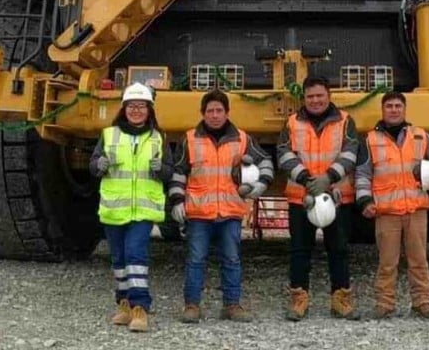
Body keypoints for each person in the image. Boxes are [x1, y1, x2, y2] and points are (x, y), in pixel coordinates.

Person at [168, 90, 274, 323]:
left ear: (227, 113)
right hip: (199, 213)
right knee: (196, 260)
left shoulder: (243, 139)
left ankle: (232, 305)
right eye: (210, 111)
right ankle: (192, 306)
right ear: (203, 114)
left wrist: (262, 183)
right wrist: (176, 201)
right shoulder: (190, 139)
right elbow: (179, 173)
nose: (214, 115)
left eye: (219, 110)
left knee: (232, 259)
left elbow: (265, 160)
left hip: (230, 211)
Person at [355, 91, 429, 321]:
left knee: (419, 261)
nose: (393, 109)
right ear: (382, 110)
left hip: (416, 210)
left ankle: (423, 303)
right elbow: (363, 174)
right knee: (387, 263)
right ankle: (384, 305)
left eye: (397, 106)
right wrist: (365, 201)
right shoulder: (370, 140)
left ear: (404, 109)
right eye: (389, 106)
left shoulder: (421, 136)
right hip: (387, 213)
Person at [277, 76, 362, 321]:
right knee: (299, 251)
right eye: (310, 96)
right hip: (300, 197)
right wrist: (308, 181)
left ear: (329, 96)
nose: (315, 100)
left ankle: (341, 300)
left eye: (319, 96)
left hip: (338, 197)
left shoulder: (346, 121)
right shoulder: (292, 123)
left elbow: (350, 151)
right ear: (304, 98)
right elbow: (284, 154)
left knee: (339, 250)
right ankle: (298, 300)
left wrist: (328, 179)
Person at [90, 83, 171, 333]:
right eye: (132, 106)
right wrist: (99, 164)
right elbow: (93, 166)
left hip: (143, 211)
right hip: (115, 209)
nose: (136, 111)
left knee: (136, 255)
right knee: (119, 259)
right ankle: (123, 303)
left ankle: (140, 307)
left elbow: (170, 172)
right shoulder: (109, 135)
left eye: (142, 106)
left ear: (149, 110)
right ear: (124, 109)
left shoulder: (158, 138)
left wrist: (162, 170)